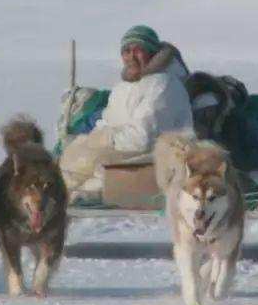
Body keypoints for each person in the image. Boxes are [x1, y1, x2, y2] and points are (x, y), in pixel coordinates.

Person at [59, 25, 192, 200]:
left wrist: (108, 138)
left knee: (94, 172)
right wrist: (92, 137)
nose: (131, 57)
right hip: (127, 149)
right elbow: (108, 120)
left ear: (152, 52)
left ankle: (79, 196)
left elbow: (144, 138)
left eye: (138, 50)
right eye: (126, 51)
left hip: (160, 156)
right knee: (72, 158)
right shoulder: (124, 86)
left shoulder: (163, 84)